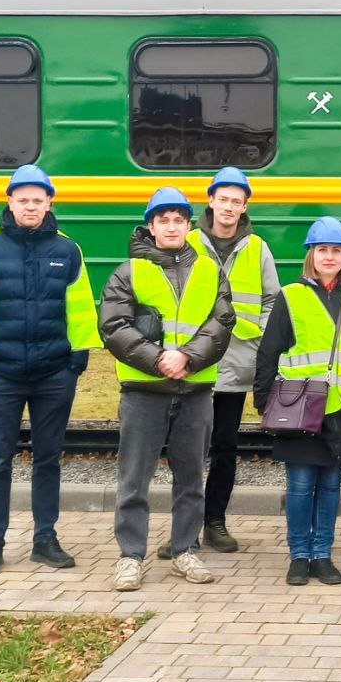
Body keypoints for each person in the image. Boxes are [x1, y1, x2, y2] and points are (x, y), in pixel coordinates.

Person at [0, 165, 101, 577]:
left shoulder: (68, 250)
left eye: (39, 200)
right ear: (10, 202)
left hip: (54, 374)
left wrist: (77, 360)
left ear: (49, 202)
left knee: (48, 459)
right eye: (24, 200)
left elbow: (80, 306)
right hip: (1, 374)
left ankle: (45, 540)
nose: (31, 206)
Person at [100, 187, 235, 592]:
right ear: (151, 226)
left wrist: (187, 359)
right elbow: (113, 327)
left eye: (179, 220)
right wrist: (158, 359)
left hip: (194, 390)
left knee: (191, 477)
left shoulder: (211, 271)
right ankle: (130, 556)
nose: (172, 227)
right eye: (164, 220)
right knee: (133, 478)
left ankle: (184, 550)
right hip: (143, 390)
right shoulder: (128, 272)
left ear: (188, 226)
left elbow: (222, 322)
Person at [154, 167, 279, 558]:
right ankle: (182, 531)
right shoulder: (184, 241)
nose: (228, 207)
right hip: (191, 364)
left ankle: (215, 523)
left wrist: (256, 340)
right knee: (185, 450)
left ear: (244, 207)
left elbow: (272, 300)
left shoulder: (257, 248)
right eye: (222, 199)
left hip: (236, 363)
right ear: (210, 201)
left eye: (236, 201)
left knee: (224, 447)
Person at [254, 217, 341, 586]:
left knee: (331, 487)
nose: (330, 257)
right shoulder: (291, 295)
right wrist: (263, 401)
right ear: (311, 256)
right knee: (301, 486)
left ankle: (323, 555)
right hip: (301, 408)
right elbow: (269, 351)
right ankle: (299, 555)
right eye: (323, 250)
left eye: (336, 250)